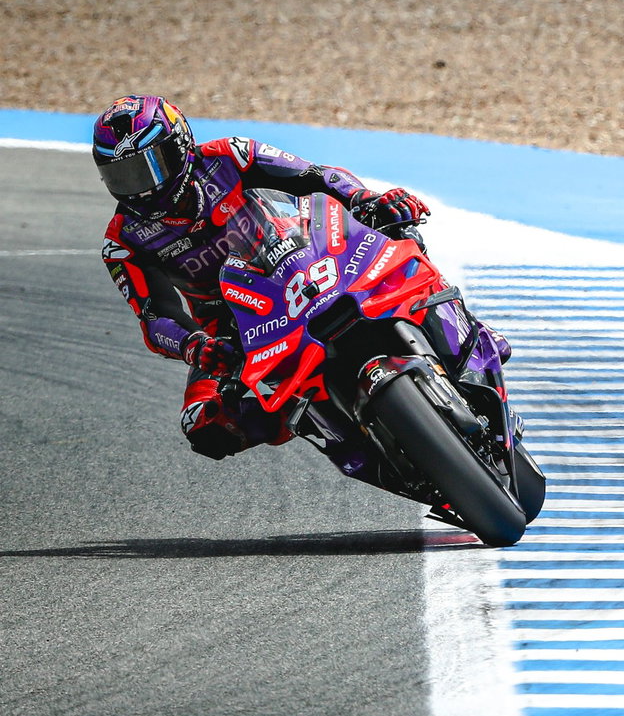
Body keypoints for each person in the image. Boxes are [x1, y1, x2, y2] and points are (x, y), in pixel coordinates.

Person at [93, 93, 457, 463]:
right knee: (203, 425)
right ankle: (343, 435)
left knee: (398, 230)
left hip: (303, 257)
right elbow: (156, 316)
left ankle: (461, 333)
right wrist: (195, 345)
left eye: (148, 168)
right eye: (123, 175)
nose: (142, 187)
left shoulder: (230, 154)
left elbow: (316, 176)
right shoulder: (122, 241)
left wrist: (364, 198)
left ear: (180, 146)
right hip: (234, 326)